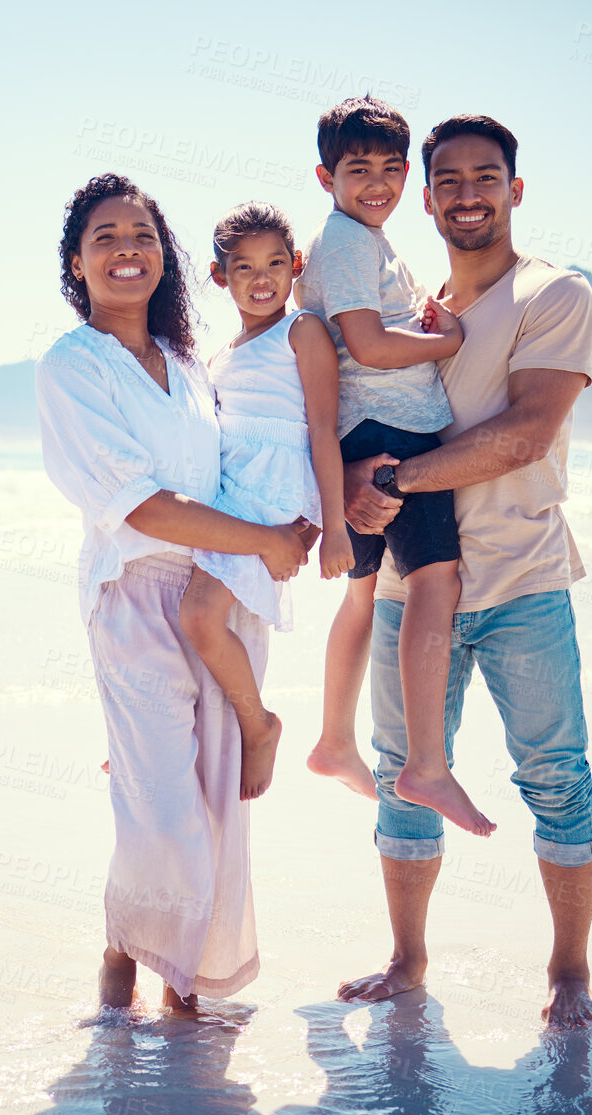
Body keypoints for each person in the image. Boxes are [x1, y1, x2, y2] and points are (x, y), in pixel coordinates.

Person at [335, 115, 592, 1029]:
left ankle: (568, 971)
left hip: (522, 579)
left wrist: (393, 482)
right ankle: (407, 962)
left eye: (484, 177)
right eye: (445, 179)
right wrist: (345, 484)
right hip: (411, 590)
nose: (465, 193)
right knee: (400, 772)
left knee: (554, 776)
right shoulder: (415, 310)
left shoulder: (552, 292)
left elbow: (527, 432)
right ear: (424, 196)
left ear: (514, 191)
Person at [34, 173, 310, 1015]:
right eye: (106, 237)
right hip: (134, 592)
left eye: (143, 236)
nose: (127, 250)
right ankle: (124, 946)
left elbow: (260, 451)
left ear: (167, 258)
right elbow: (139, 502)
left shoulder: (192, 368)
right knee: (161, 810)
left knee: (214, 807)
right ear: (77, 264)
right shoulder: (71, 366)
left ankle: (182, 989)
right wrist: (265, 540)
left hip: (217, 593)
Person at [297, 97, 495, 837]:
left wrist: (426, 319)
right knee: (433, 585)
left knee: (360, 599)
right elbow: (369, 346)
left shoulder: (361, 242)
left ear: (404, 173)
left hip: (367, 432)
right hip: (396, 432)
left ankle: (334, 741)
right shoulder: (349, 240)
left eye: (388, 168)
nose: (375, 183)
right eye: (357, 170)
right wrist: (446, 345)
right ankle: (425, 765)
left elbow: (379, 328)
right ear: (326, 177)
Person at [177, 201, 347, 804]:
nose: (262, 278)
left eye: (276, 263)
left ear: (296, 266)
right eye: (244, 267)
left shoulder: (301, 331)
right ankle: (157, 734)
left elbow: (323, 427)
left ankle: (260, 725)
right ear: (220, 276)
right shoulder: (221, 352)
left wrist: (335, 528)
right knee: (191, 620)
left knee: (199, 617)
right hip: (233, 489)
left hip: (271, 492)